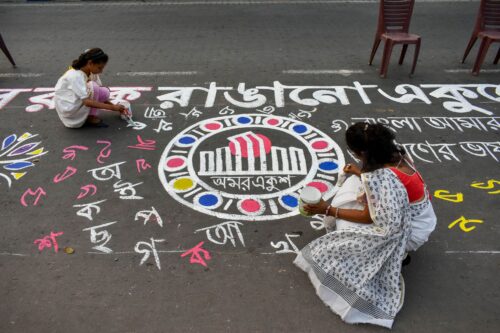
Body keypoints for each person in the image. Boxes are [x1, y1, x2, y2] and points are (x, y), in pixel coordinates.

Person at [294, 122, 434, 329]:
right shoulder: (398, 154)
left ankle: (399, 254)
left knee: (343, 224)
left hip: (412, 230)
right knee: (354, 185)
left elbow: (369, 218)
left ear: (361, 153)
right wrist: (361, 173)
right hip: (424, 217)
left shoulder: (383, 180)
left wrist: (327, 209)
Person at [54, 48, 129, 128]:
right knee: (93, 87)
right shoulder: (76, 76)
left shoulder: (90, 72)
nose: (101, 71)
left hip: (76, 101)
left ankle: (90, 115)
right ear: (90, 63)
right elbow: (87, 102)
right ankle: (90, 118)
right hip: (69, 109)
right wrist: (113, 108)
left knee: (103, 92)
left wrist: (116, 108)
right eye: (99, 68)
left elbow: (100, 94)